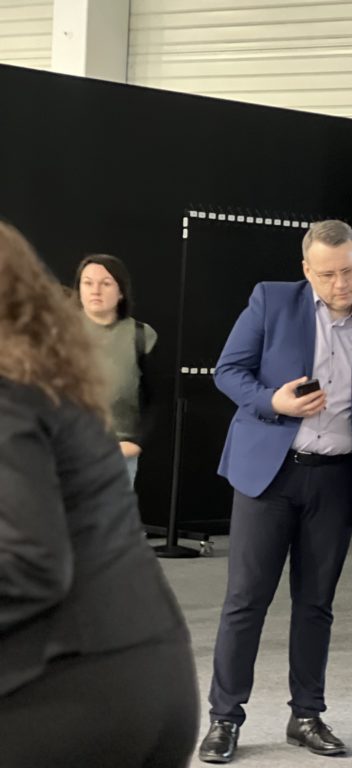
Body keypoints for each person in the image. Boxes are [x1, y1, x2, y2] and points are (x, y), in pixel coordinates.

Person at [0, 222, 197, 767]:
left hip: (72, 693)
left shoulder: (13, 399)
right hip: (146, 672)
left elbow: (32, 566)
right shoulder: (54, 383)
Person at [198, 220, 352, 763]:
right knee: (246, 600)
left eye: (348, 271)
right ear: (307, 270)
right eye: (327, 275)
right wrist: (273, 402)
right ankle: (224, 718)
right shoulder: (271, 300)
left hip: (337, 478)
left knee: (316, 605)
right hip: (270, 474)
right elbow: (228, 371)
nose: (340, 284)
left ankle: (307, 715)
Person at [73, 253, 158, 486]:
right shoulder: (58, 332)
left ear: (121, 292)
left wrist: (137, 441)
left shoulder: (141, 336)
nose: (96, 290)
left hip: (117, 455)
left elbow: (157, 400)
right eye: (88, 283)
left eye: (106, 283)